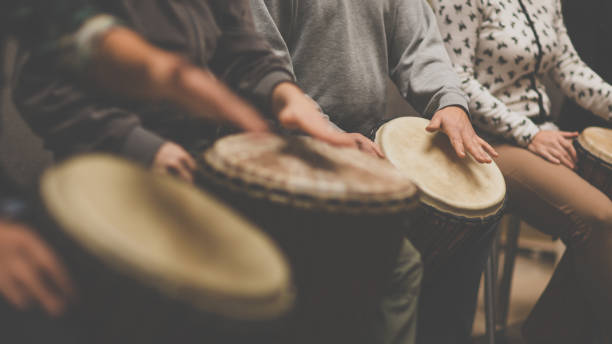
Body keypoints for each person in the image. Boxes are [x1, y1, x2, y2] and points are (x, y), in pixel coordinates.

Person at [250, 1, 499, 343]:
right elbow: (261, 66)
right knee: (392, 259)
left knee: (474, 215)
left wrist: (449, 102)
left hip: (366, 135)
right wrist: (329, 135)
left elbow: (421, 45)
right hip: (287, 138)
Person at [12, 1, 373, 183]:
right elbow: (38, 84)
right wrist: (136, 144)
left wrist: (286, 93)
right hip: (109, 165)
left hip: (201, 157)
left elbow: (241, 48)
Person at [432, 0, 612, 342]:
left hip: (541, 133)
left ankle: (550, 332)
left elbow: (569, 69)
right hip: (482, 140)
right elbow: (457, 80)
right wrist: (528, 134)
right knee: (600, 216)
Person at [558, 0, 612, 132]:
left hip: (602, 99)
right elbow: (570, 71)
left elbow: (568, 66)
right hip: (587, 119)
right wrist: (530, 133)